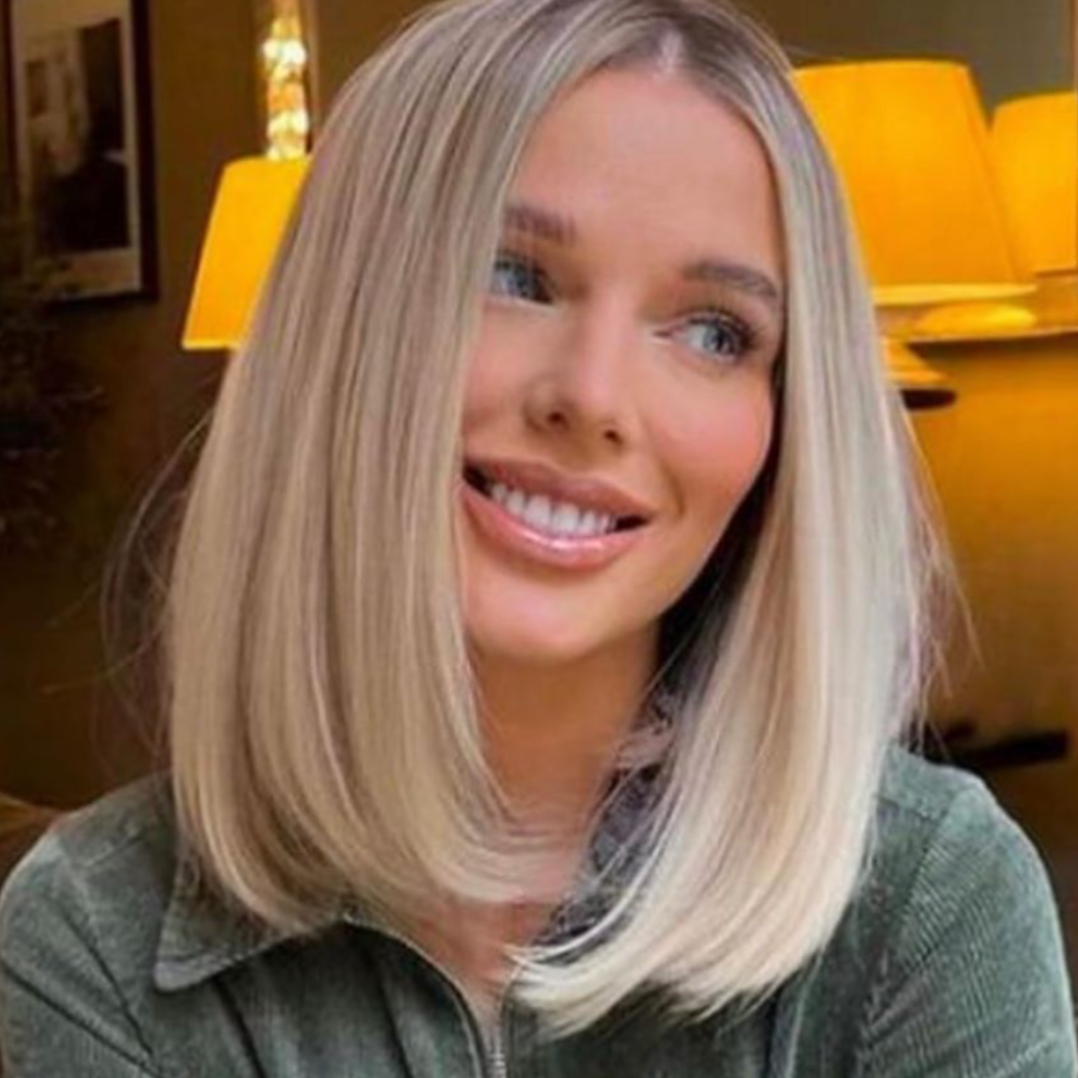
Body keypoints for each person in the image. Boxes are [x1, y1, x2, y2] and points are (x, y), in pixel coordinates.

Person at [1, 0, 1075, 1073]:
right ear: (342, 326)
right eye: (512, 277)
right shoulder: (92, 938)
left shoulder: (929, 898)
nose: (595, 397)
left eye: (714, 332)